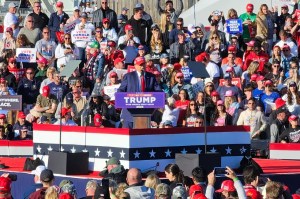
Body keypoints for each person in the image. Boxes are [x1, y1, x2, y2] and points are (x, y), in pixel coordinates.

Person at [118, 56, 161, 128]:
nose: (142, 66)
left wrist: (161, 96)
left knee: (143, 136)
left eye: (143, 64)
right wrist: (120, 97)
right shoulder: (128, 76)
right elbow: (121, 90)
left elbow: (158, 90)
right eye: (140, 65)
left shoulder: (151, 77)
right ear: (135, 66)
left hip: (145, 113)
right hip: (129, 113)